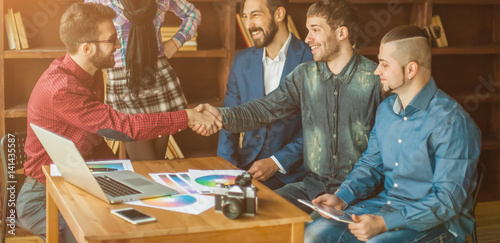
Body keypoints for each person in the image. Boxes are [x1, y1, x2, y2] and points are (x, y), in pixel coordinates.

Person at [16, 3, 218, 242]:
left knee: (148, 217)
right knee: (102, 236)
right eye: (112, 39)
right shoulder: (63, 88)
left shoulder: (87, 73)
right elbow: (124, 127)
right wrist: (188, 116)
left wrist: (126, 180)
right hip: (45, 195)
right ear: (87, 48)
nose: (119, 45)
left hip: (81, 180)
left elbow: (94, 142)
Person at [195, 0, 382, 212]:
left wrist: (348, 194)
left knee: (306, 232)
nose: (308, 38)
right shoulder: (304, 75)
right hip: (311, 187)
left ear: (341, 33)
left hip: (353, 193)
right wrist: (220, 116)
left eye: (315, 30)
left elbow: (380, 154)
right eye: (307, 30)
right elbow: (264, 109)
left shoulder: (376, 81)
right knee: (259, 212)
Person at [304, 25, 481, 243]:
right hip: (384, 206)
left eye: (384, 64)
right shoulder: (386, 109)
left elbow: (447, 202)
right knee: (312, 231)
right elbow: (371, 165)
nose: (377, 71)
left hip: (437, 223)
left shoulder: (453, 122)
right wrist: (341, 198)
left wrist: (384, 223)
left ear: (411, 70)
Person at [85, 0, 201, 161]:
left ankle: (159, 184)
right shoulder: (99, 1)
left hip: (156, 75)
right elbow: (85, 32)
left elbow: (193, 14)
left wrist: (176, 42)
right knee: (146, 162)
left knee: (157, 161)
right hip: (123, 82)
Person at [217, 0, 313, 190]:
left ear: (279, 15)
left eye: (256, 15)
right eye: (245, 17)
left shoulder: (312, 59)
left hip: (293, 175)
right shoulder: (241, 61)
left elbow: (316, 128)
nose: (248, 24)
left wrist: (276, 162)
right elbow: (230, 121)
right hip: (246, 169)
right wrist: (227, 171)